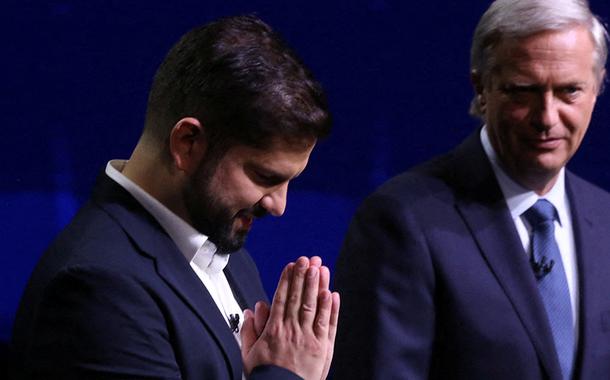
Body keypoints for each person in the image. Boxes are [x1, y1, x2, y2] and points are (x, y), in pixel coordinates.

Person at [12, 15, 339, 380]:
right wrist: (287, 374)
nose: (278, 206)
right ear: (188, 143)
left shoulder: (230, 254)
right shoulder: (98, 287)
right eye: (265, 177)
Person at [333, 0, 610, 379]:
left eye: (569, 92)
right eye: (523, 91)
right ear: (482, 88)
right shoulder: (402, 221)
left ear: (597, 88)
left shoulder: (606, 219)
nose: (546, 117)